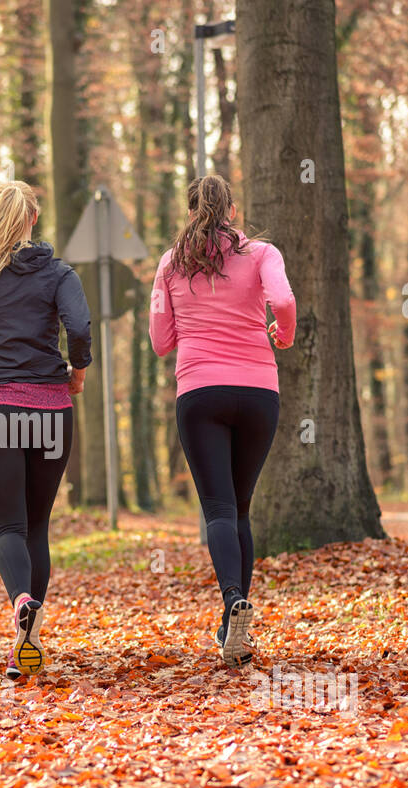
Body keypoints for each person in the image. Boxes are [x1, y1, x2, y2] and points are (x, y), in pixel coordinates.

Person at [149, 173, 297, 666]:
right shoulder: (261, 254)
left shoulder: (172, 263)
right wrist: (284, 334)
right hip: (258, 391)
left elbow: (160, 341)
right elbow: (284, 302)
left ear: (191, 211)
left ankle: (233, 600)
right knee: (240, 508)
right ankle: (234, 620)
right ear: (231, 210)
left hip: (200, 392)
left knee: (217, 509)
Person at [0, 181, 92, 679]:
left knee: (8, 527)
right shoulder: (59, 273)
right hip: (51, 411)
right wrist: (77, 370)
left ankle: (21, 603)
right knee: (36, 527)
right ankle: (25, 642)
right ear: (33, 221)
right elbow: (79, 327)